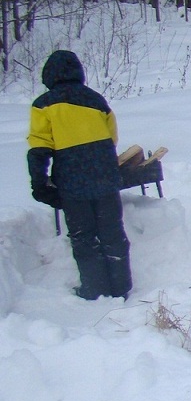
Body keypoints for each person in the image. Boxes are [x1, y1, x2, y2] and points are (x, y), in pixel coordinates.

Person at [27, 50, 133, 301]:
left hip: (72, 182)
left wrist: (39, 183)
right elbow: (112, 138)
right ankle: (121, 286)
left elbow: (39, 147)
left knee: (83, 236)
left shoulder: (43, 105)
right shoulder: (96, 100)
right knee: (112, 232)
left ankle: (94, 288)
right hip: (105, 177)